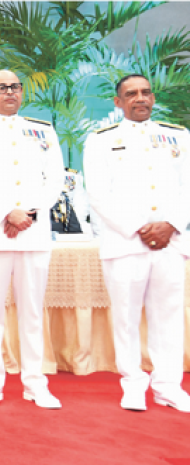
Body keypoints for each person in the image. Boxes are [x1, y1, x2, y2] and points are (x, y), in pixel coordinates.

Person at [0, 70, 65, 409]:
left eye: (15, 87)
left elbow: (56, 178)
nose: (9, 93)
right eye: (1, 88)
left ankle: (35, 382)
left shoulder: (42, 130)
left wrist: (28, 214)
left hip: (31, 234)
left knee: (32, 312)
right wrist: (7, 213)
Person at [83, 74, 190, 412]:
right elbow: (98, 194)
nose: (139, 98)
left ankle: (168, 386)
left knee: (168, 317)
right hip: (126, 242)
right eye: (131, 94)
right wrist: (141, 229)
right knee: (126, 318)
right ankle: (132, 384)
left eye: (145, 93)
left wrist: (170, 225)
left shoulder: (177, 136)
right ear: (118, 102)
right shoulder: (100, 141)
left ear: (153, 98)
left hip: (170, 243)